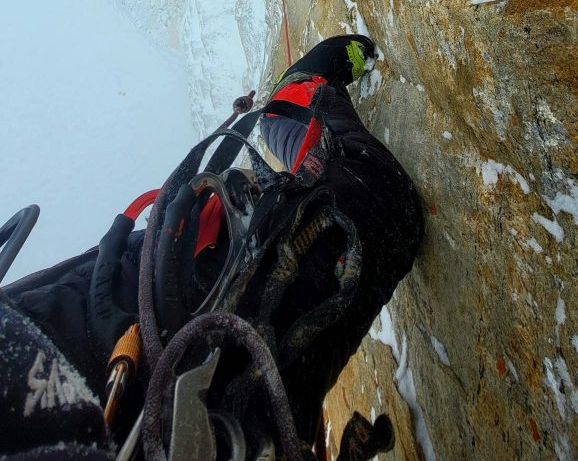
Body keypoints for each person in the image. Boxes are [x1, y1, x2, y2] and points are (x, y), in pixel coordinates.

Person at [0, 36, 423, 461]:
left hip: (156, 331)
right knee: (343, 196)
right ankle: (292, 132)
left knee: (380, 199)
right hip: (138, 345)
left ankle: (303, 94)